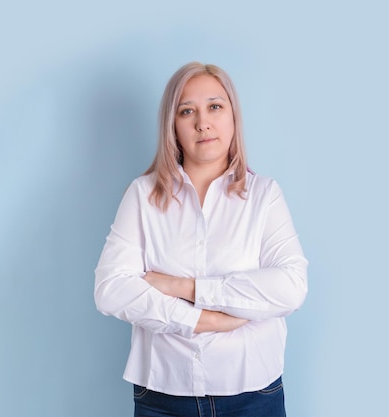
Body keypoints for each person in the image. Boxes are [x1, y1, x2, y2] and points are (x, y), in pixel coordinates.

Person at [94, 62, 308, 417]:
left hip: (254, 395)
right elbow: (110, 289)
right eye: (186, 111)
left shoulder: (264, 195)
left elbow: (291, 287)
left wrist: (184, 287)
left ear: (233, 117)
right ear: (172, 126)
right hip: (162, 396)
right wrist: (202, 320)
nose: (202, 122)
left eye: (215, 106)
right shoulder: (142, 195)